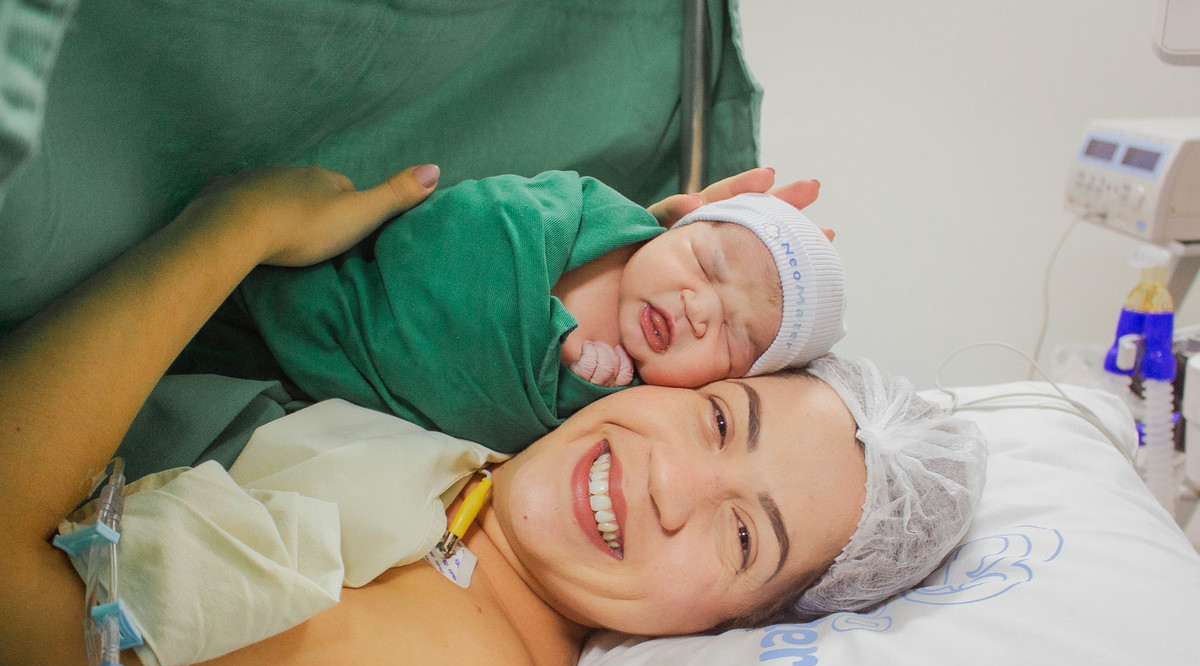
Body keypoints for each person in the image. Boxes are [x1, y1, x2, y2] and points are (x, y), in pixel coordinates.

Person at [0, 165, 986, 666]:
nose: (669, 480)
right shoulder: (492, 454)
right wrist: (636, 256)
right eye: (721, 419)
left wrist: (238, 222)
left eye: (741, 537)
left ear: (739, 624)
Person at [182, 168, 845, 452]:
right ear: (679, 226)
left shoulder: (632, 405)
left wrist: (572, 384)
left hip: (316, 410)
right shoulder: (589, 214)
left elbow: (502, 440)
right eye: (705, 263)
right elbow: (476, 226)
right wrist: (546, 332)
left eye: (733, 336)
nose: (700, 310)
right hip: (316, 300)